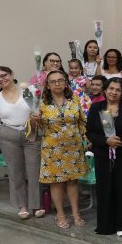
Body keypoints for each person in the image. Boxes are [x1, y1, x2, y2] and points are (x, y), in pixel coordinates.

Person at [0, 66, 41, 217]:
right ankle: (22, 206)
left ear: (12, 74)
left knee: (33, 170)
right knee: (15, 172)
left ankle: (36, 205)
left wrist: (38, 117)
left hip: (31, 132)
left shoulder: (27, 90)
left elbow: (37, 112)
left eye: (4, 75)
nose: (1, 79)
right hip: (8, 135)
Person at [86, 78, 122, 236]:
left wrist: (121, 142)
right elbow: (89, 132)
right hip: (103, 155)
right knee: (104, 189)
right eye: (111, 88)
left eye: (118, 89)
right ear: (105, 89)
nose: (114, 92)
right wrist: (105, 141)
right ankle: (105, 225)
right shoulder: (96, 107)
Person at [35, 69, 89, 229]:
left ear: (66, 82)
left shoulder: (75, 99)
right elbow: (32, 128)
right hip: (53, 150)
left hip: (74, 147)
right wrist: (34, 121)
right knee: (56, 183)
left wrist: (87, 138)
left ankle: (76, 213)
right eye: (53, 81)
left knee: (73, 182)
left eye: (60, 80)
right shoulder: (41, 103)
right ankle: (60, 214)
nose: (57, 83)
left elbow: (82, 121)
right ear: (48, 85)